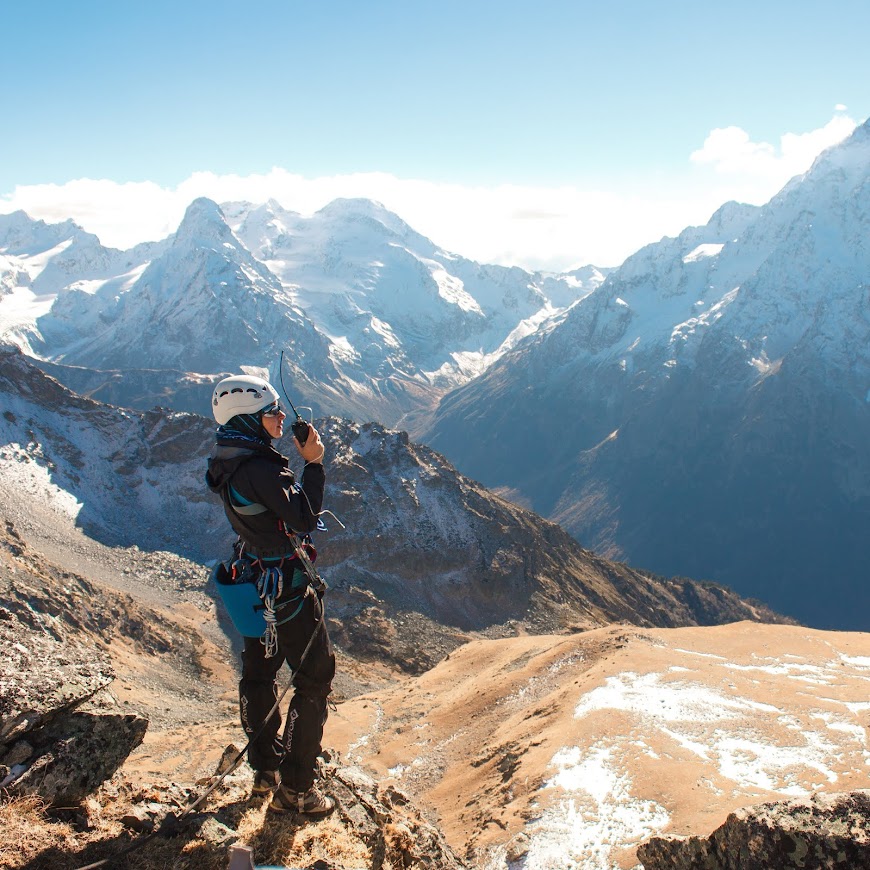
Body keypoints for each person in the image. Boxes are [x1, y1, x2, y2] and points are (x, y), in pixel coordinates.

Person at [205, 374, 336, 816]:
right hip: (286, 587)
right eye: (272, 412)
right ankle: (297, 790)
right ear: (250, 420)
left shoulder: (230, 459)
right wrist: (314, 463)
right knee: (313, 679)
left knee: (259, 676)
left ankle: (265, 770)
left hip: (254, 583)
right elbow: (302, 518)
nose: (281, 417)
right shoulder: (261, 468)